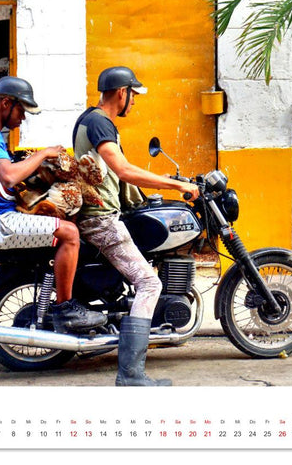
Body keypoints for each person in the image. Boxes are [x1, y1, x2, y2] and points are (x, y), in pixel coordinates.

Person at [72, 66, 200, 386]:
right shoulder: (100, 123)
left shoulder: (91, 120)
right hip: (99, 221)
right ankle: (130, 374)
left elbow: (113, 176)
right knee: (149, 284)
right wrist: (174, 184)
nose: (135, 102)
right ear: (121, 93)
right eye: (134, 95)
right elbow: (124, 169)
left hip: (97, 215)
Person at [0, 75, 105, 334]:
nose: (23, 118)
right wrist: (43, 153)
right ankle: (65, 309)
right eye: (21, 110)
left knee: (70, 223)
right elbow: (9, 175)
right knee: (70, 234)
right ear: (6, 103)